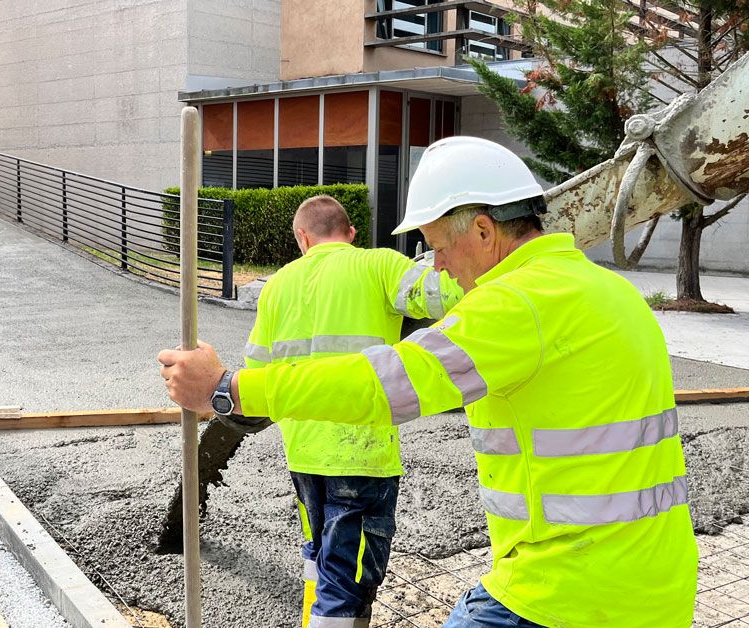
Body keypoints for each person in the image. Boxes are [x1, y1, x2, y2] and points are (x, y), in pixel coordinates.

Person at [159, 136, 697, 627]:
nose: (436, 265)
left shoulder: (514, 303)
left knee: (329, 570)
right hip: (658, 585)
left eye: (438, 245)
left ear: (484, 230)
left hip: (566, 592)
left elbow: (387, 385)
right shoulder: (613, 292)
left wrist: (229, 388)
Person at [237, 194, 461, 627]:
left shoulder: (277, 284)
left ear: (302, 237)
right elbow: (443, 293)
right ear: (351, 233)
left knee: (319, 554)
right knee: (349, 580)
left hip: (303, 453)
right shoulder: (376, 264)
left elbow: (256, 376)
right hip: (363, 454)